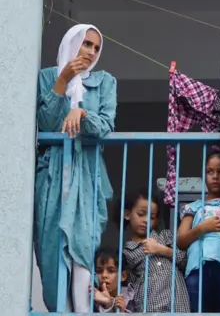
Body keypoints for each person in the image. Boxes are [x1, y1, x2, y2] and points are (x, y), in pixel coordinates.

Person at [34, 24, 117, 312]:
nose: (92, 52)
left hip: (86, 173)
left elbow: (105, 125)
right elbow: (45, 123)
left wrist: (80, 112)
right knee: (51, 248)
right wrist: (64, 79)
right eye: (86, 44)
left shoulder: (105, 81)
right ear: (72, 43)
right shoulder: (46, 77)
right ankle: (60, 310)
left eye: (96, 47)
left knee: (83, 245)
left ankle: (82, 311)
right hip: (53, 174)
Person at [177, 152, 220, 312]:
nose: (215, 176)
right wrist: (202, 228)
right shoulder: (194, 206)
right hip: (197, 269)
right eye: (209, 171)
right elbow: (181, 240)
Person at [115, 189, 190, 313]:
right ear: (127, 215)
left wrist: (162, 250)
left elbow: (186, 261)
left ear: (157, 221)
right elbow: (130, 286)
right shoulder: (126, 253)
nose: (146, 220)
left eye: (152, 217)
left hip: (177, 304)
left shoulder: (166, 237)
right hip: (150, 306)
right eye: (141, 214)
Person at [90, 247, 134, 313]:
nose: (104, 275)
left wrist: (122, 313)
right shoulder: (92, 296)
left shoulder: (129, 297)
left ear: (123, 276)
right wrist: (108, 304)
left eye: (111, 271)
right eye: (99, 271)